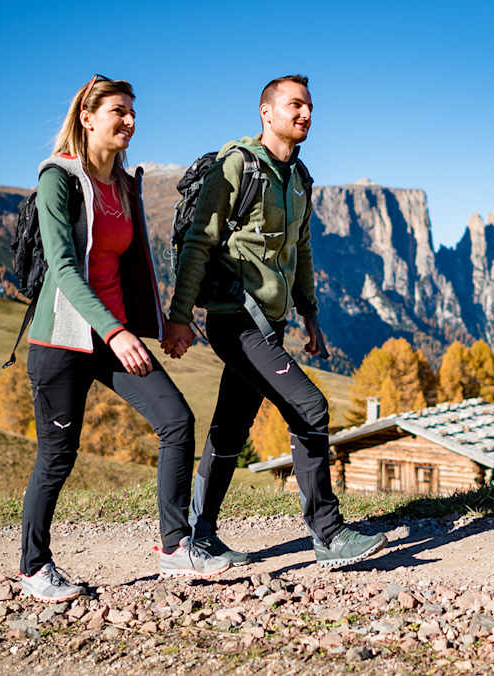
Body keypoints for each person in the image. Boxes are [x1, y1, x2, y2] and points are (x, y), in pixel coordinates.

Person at [19, 75, 231, 602]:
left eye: (133, 112)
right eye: (119, 111)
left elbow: (136, 267)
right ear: (88, 117)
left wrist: (165, 326)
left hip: (114, 336)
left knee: (176, 421)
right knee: (58, 454)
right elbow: (65, 270)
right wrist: (114, 333)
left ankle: (175, 546)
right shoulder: (59, 179)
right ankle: (34, 568)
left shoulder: (125, 184)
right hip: (64, 338)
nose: (130, 122)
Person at [162, 74, 388, 568]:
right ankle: (327, 534)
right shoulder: (239, 166)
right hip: (233, 319)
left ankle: (198, 536)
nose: (305, 114)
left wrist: (310, 316)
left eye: (309, 107)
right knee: (310, 407)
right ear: (267, 112)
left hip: (273, 321)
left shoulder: (299, 178)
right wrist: (180, 318)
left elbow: (301, 249)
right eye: (295, 105)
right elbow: (199, 243)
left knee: (230, 427)